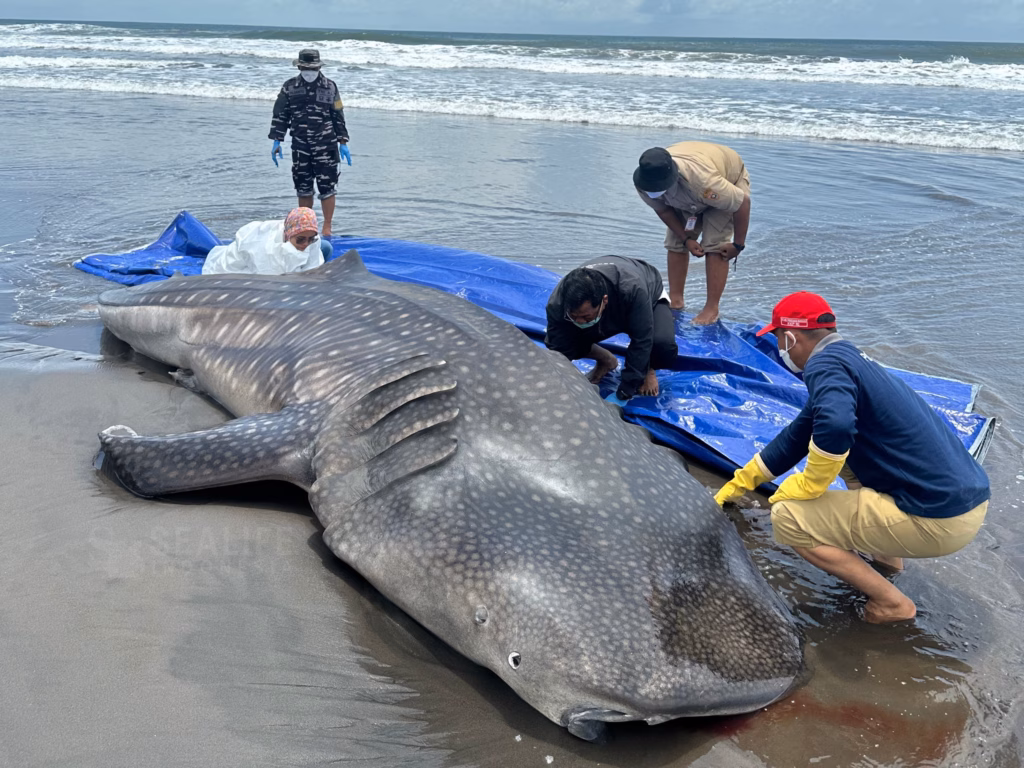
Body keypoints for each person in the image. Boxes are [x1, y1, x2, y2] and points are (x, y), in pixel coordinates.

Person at [713, 292, 990, 623]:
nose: (779, 350)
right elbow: (798, 436)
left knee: (788, 518)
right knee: (847, 460)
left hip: (939, 519)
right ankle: (887, 564)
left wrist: (812, 483)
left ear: (790, 336)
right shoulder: (850, 358)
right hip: (965, 501)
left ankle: (891, 603)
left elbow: (836, 425)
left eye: (776, 340)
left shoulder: (823, 364)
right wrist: (743, 481)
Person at [633, 142, 751, 325]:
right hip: (688, 193)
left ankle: (711, 308)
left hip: (727, 179)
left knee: (716, 245)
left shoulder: (705, 182)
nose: (653, 192)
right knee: (674, 242)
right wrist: (686, 238)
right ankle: (676, 300)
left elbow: (742, 203)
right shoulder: (643, 183)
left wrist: (738, 245)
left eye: (659, 189)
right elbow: (664, 211)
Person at [544, 256, 678, 405]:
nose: (579, 321)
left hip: (647, 294)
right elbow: (557, 348)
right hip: (611, 303)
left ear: (604, 301)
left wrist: (625, 392)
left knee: (661, 344)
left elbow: (642, 339)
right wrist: (556, 384)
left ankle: (649, 369)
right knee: (564, 342)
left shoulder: (633, 289)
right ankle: (606, 360)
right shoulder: (557, 303)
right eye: (574, 316)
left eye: (585, 316)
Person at [269, 49, 351, 237]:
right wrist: (277, 139)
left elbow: (338, 114)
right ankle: (308, 226)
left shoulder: (330, 87)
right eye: (305, 67)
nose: (309, 71)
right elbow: (280, 114)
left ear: (318, 67)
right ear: (299, 67)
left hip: (326, 145)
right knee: (303, 187)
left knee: (328, 188)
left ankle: (327, 227)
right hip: (300, 145)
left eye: (312, 68)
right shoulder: (289, 87)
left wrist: (343, 141)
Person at [202, 207, 333, 275]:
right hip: (242, 270)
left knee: (326, 247)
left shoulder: (311, 238)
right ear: (287, 235)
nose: (305, 244)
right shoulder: (263, 247)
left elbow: (313, 272)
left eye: (310, 239)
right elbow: (273, 282)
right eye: (300, 240)